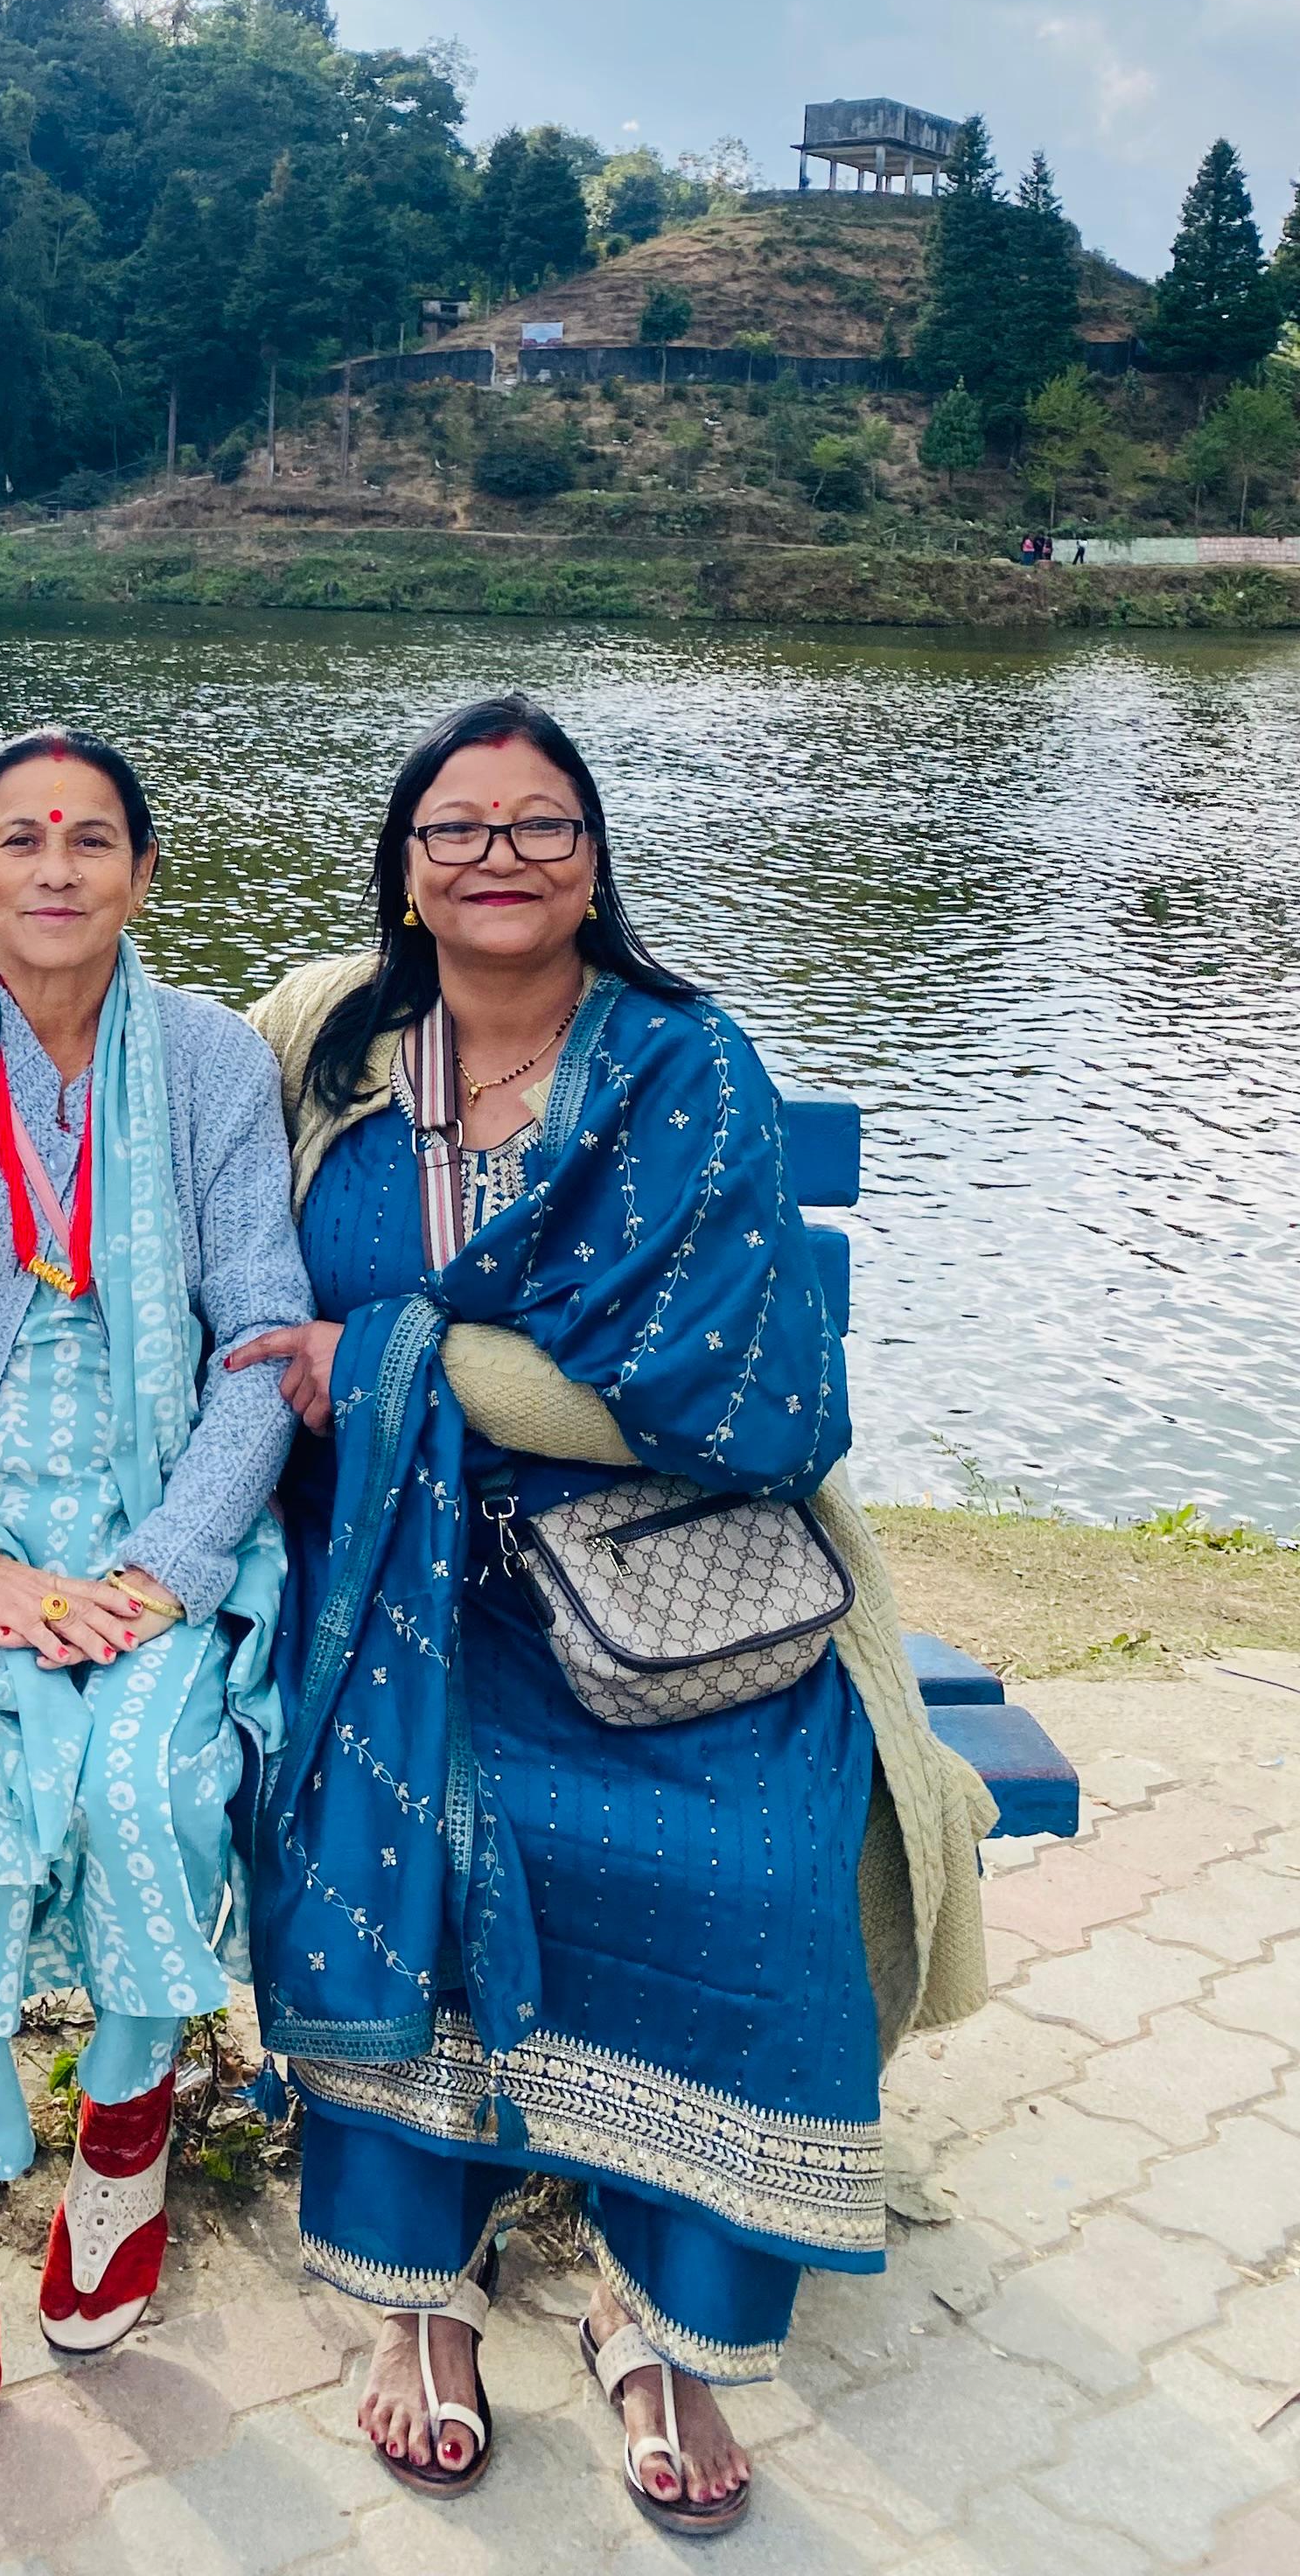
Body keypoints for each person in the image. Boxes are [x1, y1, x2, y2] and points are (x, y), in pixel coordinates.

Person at [239, 694, 988, 2538]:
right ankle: (417, 2305)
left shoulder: (685, 1067)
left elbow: (733, 1394)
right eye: (457, 830)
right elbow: (98, 1077)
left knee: (761, 1853)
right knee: (386, 1807)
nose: (498, 859)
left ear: (594, 865)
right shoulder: (317, 1038)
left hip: (652, 1568)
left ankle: (657, 2318)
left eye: (539, 828)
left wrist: (408, 1360)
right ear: (405, 870)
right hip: (384, 1574)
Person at [0, 727, 310, 2429]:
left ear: (142, 875)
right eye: (18, 838)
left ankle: (125, 2135)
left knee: (145, 1788)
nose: (53, 867)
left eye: (91, 839)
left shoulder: (211, 1058)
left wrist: (173, 1568)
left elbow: (259, 1340)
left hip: (150, 1527)